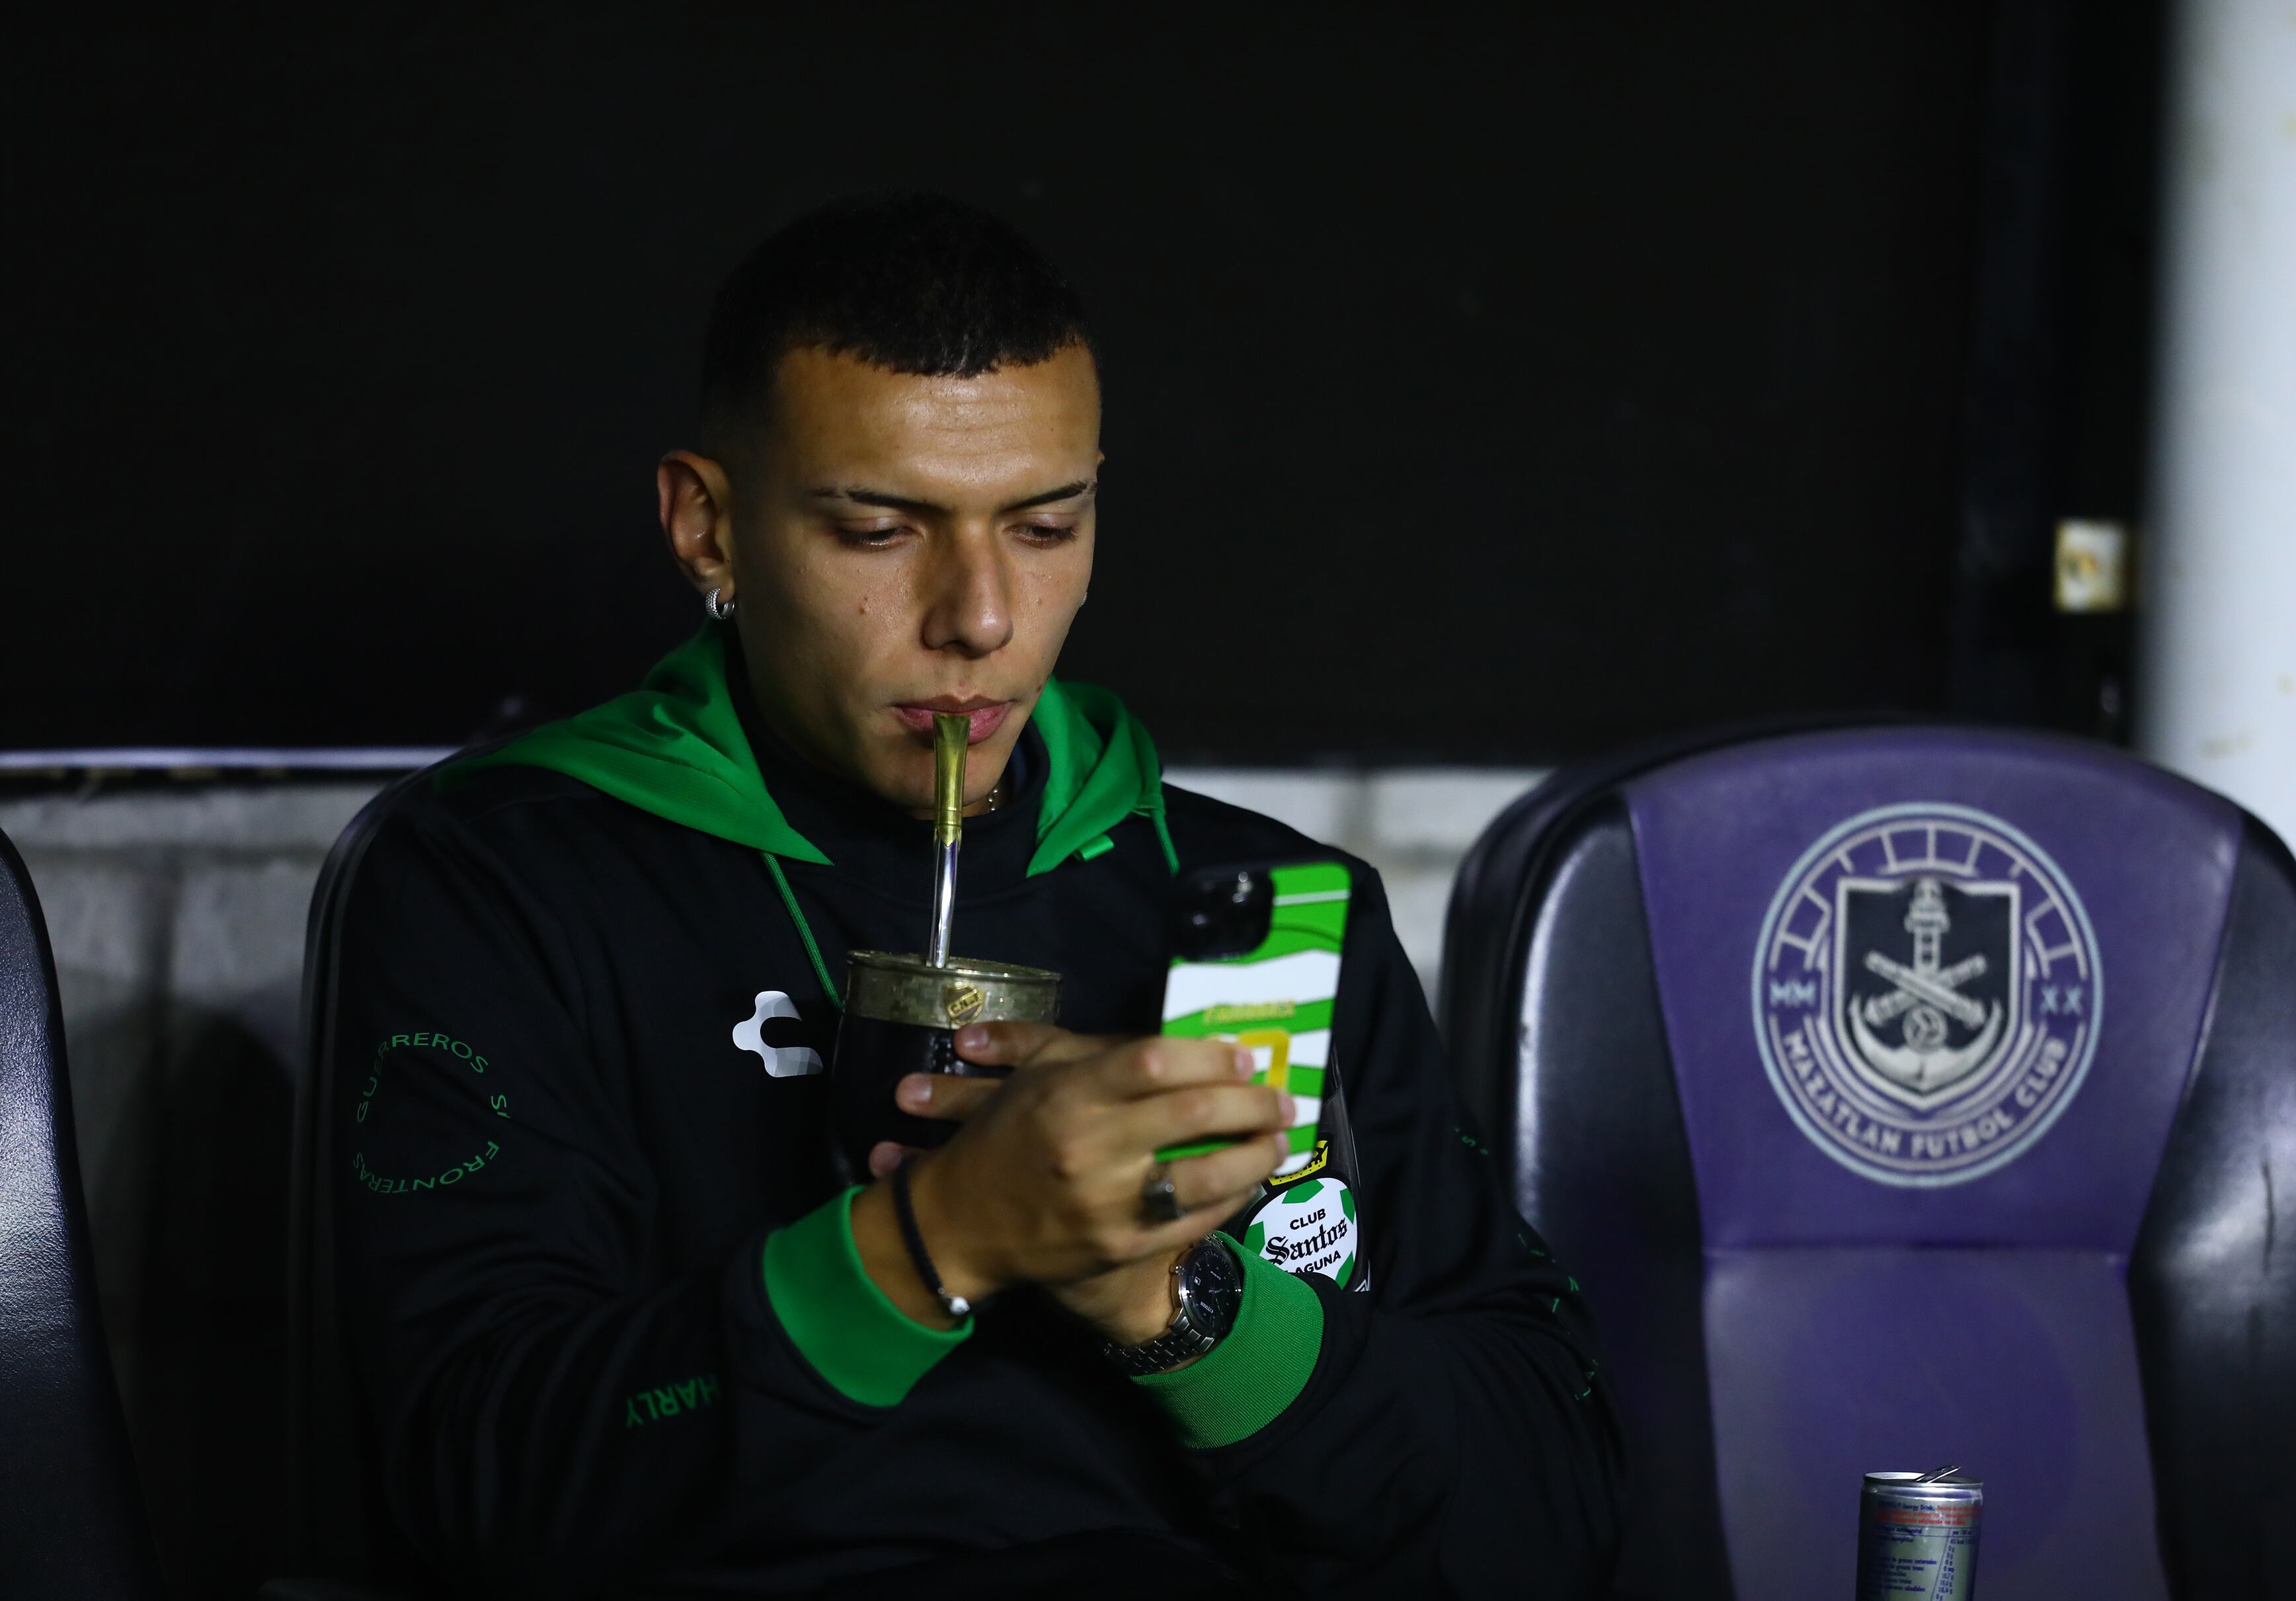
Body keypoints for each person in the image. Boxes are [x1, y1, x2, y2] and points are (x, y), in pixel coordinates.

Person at [333, 194, 1622, 1598]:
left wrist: (1163, 1297)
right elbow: (478, 1486)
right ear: (708, 529)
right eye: (881, 531)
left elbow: (1543, 1510)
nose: (982, 616)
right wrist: (939, 1238)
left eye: (1044, 523)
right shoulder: (497, 875)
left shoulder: (1262, 906)